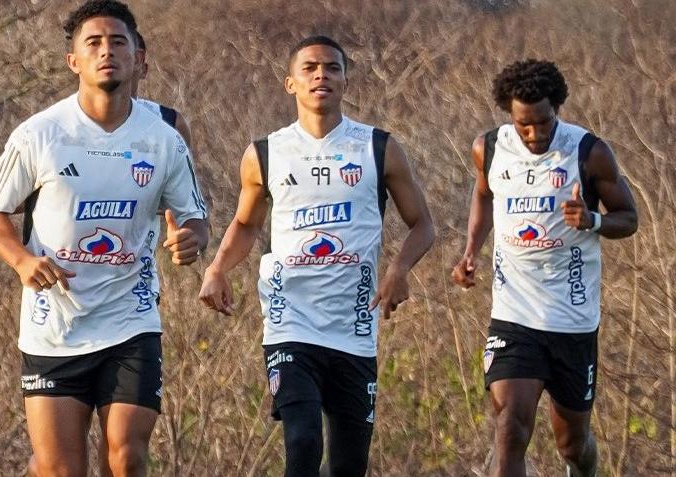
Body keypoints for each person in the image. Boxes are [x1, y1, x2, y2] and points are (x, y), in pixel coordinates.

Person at [0, 1, 209, 475]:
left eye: (118, 42)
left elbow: (196, 218)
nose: (107, 52)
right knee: (62, 469)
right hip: (54, 327)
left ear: (138, 58)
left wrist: (192, 239)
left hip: (131, 320)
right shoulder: (40, 133)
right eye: (93, 43)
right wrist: (21, 261)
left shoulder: (162, 136)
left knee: (127, 456)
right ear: (73, 61)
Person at [199, 35, 434, 476]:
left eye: (332, 67)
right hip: (290, 323)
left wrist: (399, 270)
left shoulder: (378, 147)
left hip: (354, 326)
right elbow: (247, 224)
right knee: (303, 442)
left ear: (346, 81)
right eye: (309, 68)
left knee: (347, 466)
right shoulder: (265, 153)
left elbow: (423, 224)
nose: (321, 75)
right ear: (291, 83)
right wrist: (216, 269)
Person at [451, 59, 637, 477]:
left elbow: (630, 217)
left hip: (572, 318)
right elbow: (484, 195)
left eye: (544, 122)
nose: (535, 134)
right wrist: (471, 251)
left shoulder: (590, 152)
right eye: (524, 125)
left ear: (558, 110)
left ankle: (583, 469)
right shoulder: (490, 148)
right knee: (510, 428)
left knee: (572, 443)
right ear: (509, 116)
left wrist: (594, 221)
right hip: (514, 316)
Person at [130, 31, 192, 147]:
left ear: (143, 69)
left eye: (125, 54)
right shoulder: (85, 123)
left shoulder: (170, 122)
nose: (109, 55)